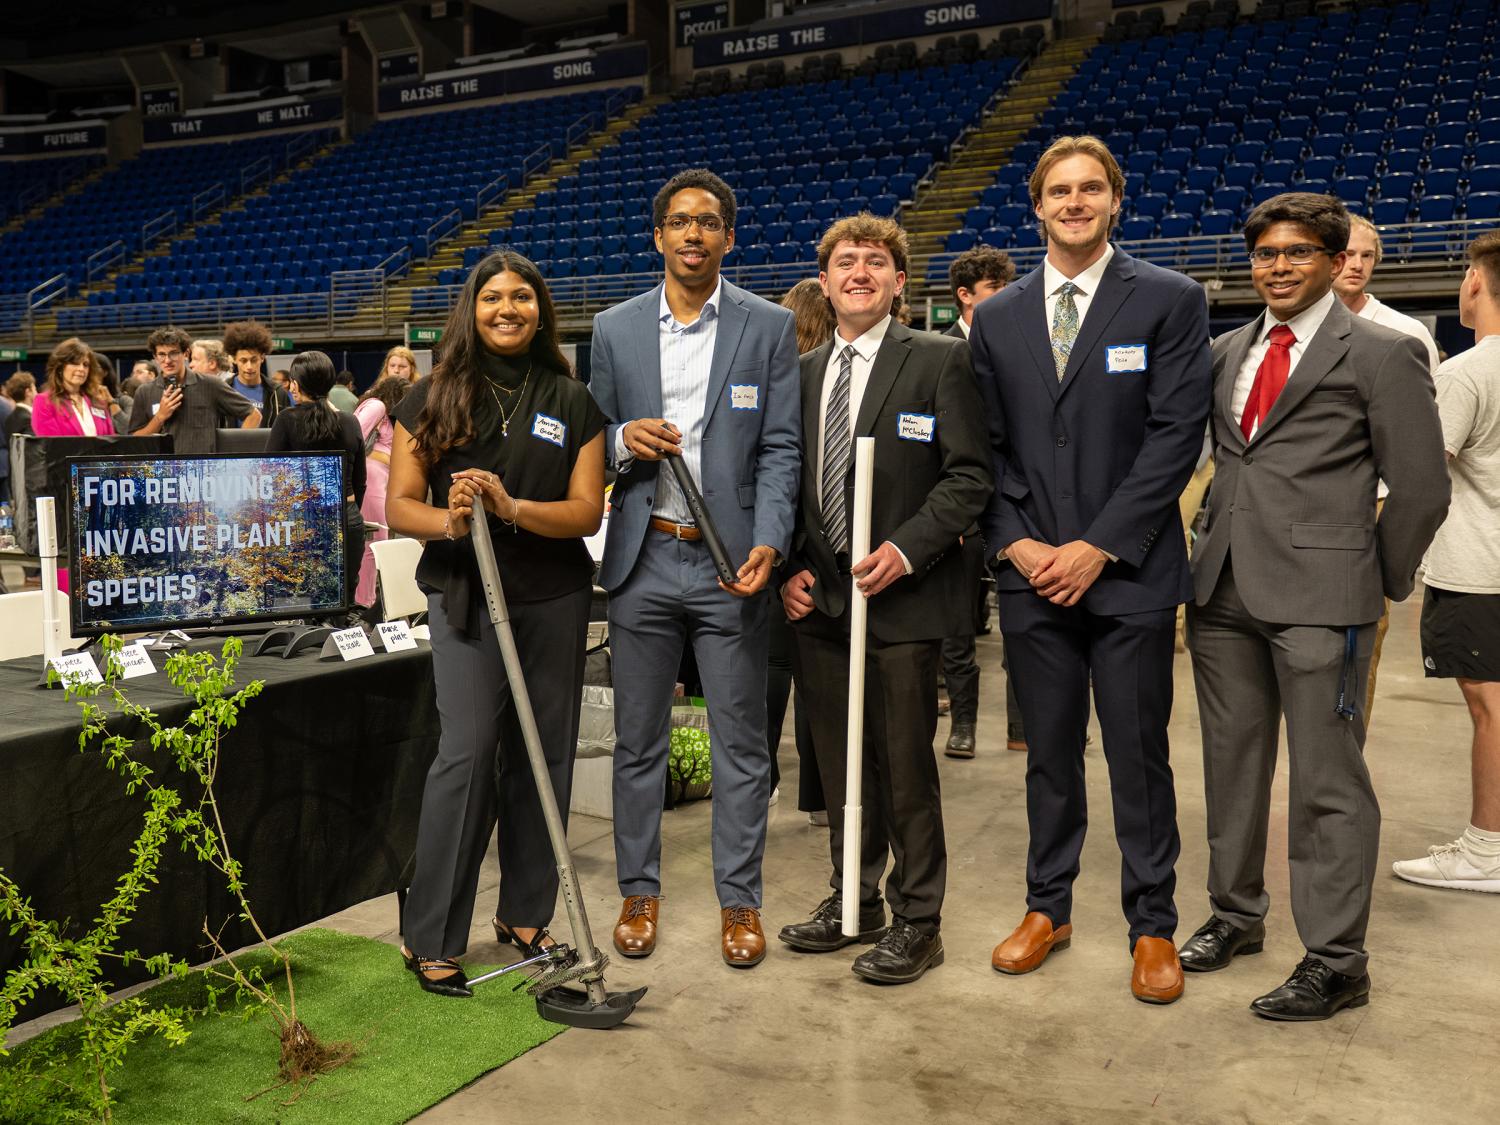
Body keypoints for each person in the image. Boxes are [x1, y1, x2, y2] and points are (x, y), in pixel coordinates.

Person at [1182, 193, 1450, 1020]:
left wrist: (1375, 582)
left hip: (1324, 597)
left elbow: (1421, 487)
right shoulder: (1227, 350)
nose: (1278, 266)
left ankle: (1337, 959)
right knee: (1231, 769)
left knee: (1328, 783)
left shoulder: (1380, 352)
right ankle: (1236, 914)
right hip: (1222, 588)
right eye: (1265, 253)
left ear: (1336, 262)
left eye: (1297, 252)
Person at [971, 136, 1212, 1005]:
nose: (1074, 202)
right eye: (1058, 191)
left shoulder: (1171, 300)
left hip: (1130, 572)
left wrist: (1099, 544)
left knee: (1139, 755)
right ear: (1035, 207)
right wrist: (1018, 541)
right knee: (1049, 757)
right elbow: (982, 449)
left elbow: (1175, 435)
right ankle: (1049, 908)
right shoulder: (996, 318)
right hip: (1032, 574)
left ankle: (1153, 925)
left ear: (1117, 199)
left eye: (1090, 189)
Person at [589, 167, 800, 969]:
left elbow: (781, 446)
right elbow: (591, 438)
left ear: (729, 237)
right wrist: (617, 442)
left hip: (731, 567)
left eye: (708, 222)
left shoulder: (769, 326)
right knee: (637, 741)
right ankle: (638, 890)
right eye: (678, 221)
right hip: (642, 560)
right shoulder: (613, 328)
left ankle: (739, 902)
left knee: (739, 744)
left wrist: (770, 545)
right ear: (658, 236)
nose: (692, 234)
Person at [778, 214, 992, 984]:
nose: (859, 272)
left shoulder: (938, 361)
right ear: (825, 279)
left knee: (904, 766)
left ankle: (919, 918)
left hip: (902, 599)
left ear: (900, 282)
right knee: (840, 765)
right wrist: (789, 570)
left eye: (876, 261)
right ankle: (853, 899)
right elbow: (787, 486)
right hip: (823, 604)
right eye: (845, 261)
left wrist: (905, 549)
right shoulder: (800, 373)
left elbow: (969, 476)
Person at [386, 251, 606, 996]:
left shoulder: (571, 398)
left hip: (553, 595)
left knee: (543, 757)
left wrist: (513, 509)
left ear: (542, 310)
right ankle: (429, 933)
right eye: (491, 298)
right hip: (465, 595)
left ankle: (522, 913)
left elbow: (586, 511)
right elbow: (399, 506)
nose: (506, 308)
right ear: (470, 309)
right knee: (470, 748)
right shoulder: (432, 394)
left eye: (521, 297)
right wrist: (451, 521)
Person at [1392, 231, 1500, 894]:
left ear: (1477, 283)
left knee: (1489, 706)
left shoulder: (1467, 370)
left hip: (1479, 568)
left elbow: (1423, 474)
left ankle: (1487, 847)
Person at [1331, 214, 1443, 723]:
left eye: (1367, 256)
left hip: (1371, 503)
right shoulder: (1290, 322)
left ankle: (1345, 770)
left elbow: (1425, 438)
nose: (1356, 265)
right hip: (1298, 499)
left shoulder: (1404, 332)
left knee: (1358, 649)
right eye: (1348, 254)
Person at [941, 245, 1021, 759]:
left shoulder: (1019, 344)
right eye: (995, 291)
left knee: (1021, 621)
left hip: (1013, 503)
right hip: (959, 510)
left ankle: (1025, 724)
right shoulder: (935, 347)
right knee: (957, 626)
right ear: (965, 297)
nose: (1008, 299)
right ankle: (962, 724)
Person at [773, 277, 837, 825]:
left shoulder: (781, 376)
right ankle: (820, 798)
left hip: (778, 543)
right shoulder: (824, 377)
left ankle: (765, 778)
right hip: (821, 547)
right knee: (821, 683)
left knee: (776, 668)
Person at [265, 351, 366, 595]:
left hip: (302, 522)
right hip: (347, 517)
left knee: (303, 598)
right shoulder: (350, 421)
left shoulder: (286, 420)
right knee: (343, 599)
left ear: (295, 385)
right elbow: (360, 481)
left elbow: (268, 474)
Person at [129, 326, 261, 454]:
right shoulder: (144, 392)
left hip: (205, 473)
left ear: (186, 354)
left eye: (173, 353)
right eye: (162, 355)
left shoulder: (211, 384)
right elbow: (135, 441)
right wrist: (159, 417)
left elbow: (253, 415)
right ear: (155, 357)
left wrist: (235, 456)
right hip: (163, 474)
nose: (167, 360)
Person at [353, 375, 412, 610]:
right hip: (372, 481)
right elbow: (352, 436)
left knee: (377, 543)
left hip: (380, 482)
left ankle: (369, 602)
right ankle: (363, 603)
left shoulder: (386, 415)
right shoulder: (377, 406)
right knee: (373, 543)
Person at [30, 338, 123, 437]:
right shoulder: (44, 401)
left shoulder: (98, 401)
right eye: (75, 363)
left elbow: (110, 438)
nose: (81, 369)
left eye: (85, 365)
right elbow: (50, 445)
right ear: (60, 368)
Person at [223, 320, 291, 428]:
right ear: (234, 359)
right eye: (243, 361)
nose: (249, 366)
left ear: (262, 358)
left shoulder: (277, 393)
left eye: (254, 360)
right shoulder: (223, 390)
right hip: (232, 445)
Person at [3, 372, 37, 439]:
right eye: (35, 390)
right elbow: (31, 447)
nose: (37, 393)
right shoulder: (29, 420)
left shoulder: (9, 418)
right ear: (28, 392)